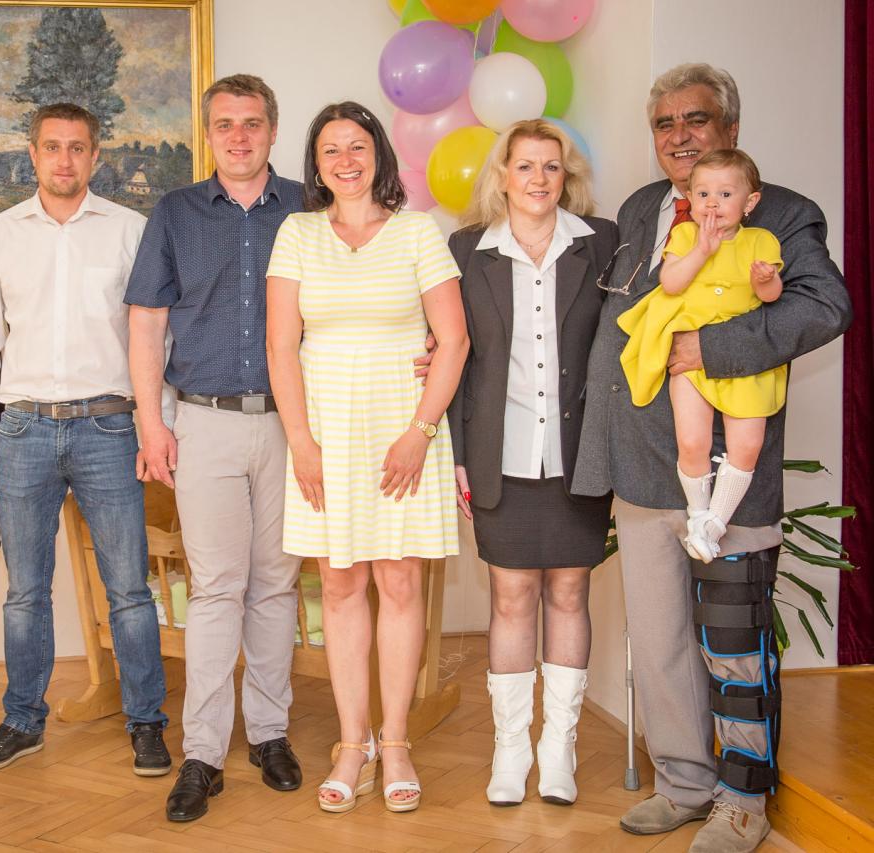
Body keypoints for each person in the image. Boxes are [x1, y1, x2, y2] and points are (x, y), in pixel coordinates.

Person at [572, 64, 849, 853]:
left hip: (728, 473)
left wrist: (709, 349)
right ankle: (686, 784)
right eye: (665, 123)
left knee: (733, 643)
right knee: (661, 645)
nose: (680, 135)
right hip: (642, 465)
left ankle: (743, 801)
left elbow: (825, 305)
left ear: (730, 128)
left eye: (696, 119)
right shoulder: (640, 208)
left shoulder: (781, 212)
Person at [0, 102, 169, 777]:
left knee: (128, 587)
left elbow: (157, 338)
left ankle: (147, 722)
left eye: (78, 147)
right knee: (25, 591)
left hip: (111, 426)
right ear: (33, 154)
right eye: (52, 147)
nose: (65, 159)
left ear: (96, 156)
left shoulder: (131, 231)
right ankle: (22, 721)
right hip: (24, 430)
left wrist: (157, 424)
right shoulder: (0, 236)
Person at [266, 101, 469, 815]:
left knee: (401, 580)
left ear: (379, 154)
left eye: (357, 146)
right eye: (331, 150)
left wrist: (420, 430)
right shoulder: (297, 232)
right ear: (316, 165)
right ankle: (353, 745)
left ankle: (397, 741)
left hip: (403, 429)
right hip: (323, 431)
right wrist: (301, 443)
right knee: (340, 582)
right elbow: (280, 346)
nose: (346, 160)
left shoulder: (418, 231)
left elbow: (454, 340)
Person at [126, 74, 306, 823]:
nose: (239, 136)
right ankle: (202, 751)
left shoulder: (309, 207)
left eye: (252, 123)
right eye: (225, 124)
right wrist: (152, 424)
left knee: (276, 586)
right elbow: (145, 323)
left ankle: (268, 733)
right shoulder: (175, 212)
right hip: (203, 422)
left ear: (273, 130)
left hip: (294, 426)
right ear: (208, 134)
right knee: (214, 589)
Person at [446, 119, 616, 808]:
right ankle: (511, 748)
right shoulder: (467, 250)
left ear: (565, 176)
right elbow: (455, 358)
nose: (538, 179)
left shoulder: (601, 242)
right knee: (511, 595)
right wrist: (457, 455)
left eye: (551, 166)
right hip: (500, 453)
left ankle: (559, 748)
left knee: (569, 592)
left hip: (579, 455)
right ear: (502, 175)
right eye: (525, 166)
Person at [617, 149, 783, 564]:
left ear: (749, 202)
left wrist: (766, 280)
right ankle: (698, 513)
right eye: (703, 194)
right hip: (689, 359)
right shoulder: (686, 236)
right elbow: (671, 282)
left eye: (725, 194)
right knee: (691, 440)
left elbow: (772, 298)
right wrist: (702, 252)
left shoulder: (761, 241)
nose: (712, 203)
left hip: (743, 363)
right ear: (690, 199)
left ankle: (714, 523)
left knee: (747, 444)